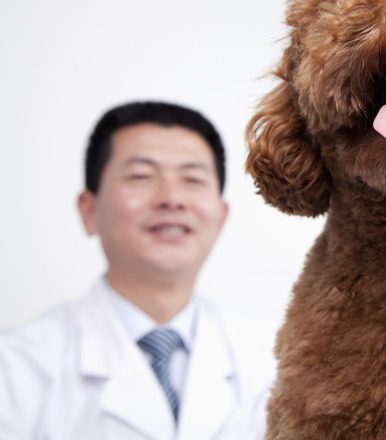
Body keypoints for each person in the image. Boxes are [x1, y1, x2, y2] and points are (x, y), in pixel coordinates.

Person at [0, 101, 276, 439]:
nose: (172, 198)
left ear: (221, 217)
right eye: (141, 176)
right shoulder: (14, 369)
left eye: (192, 179)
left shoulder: (273, 359)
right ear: (89, 211)